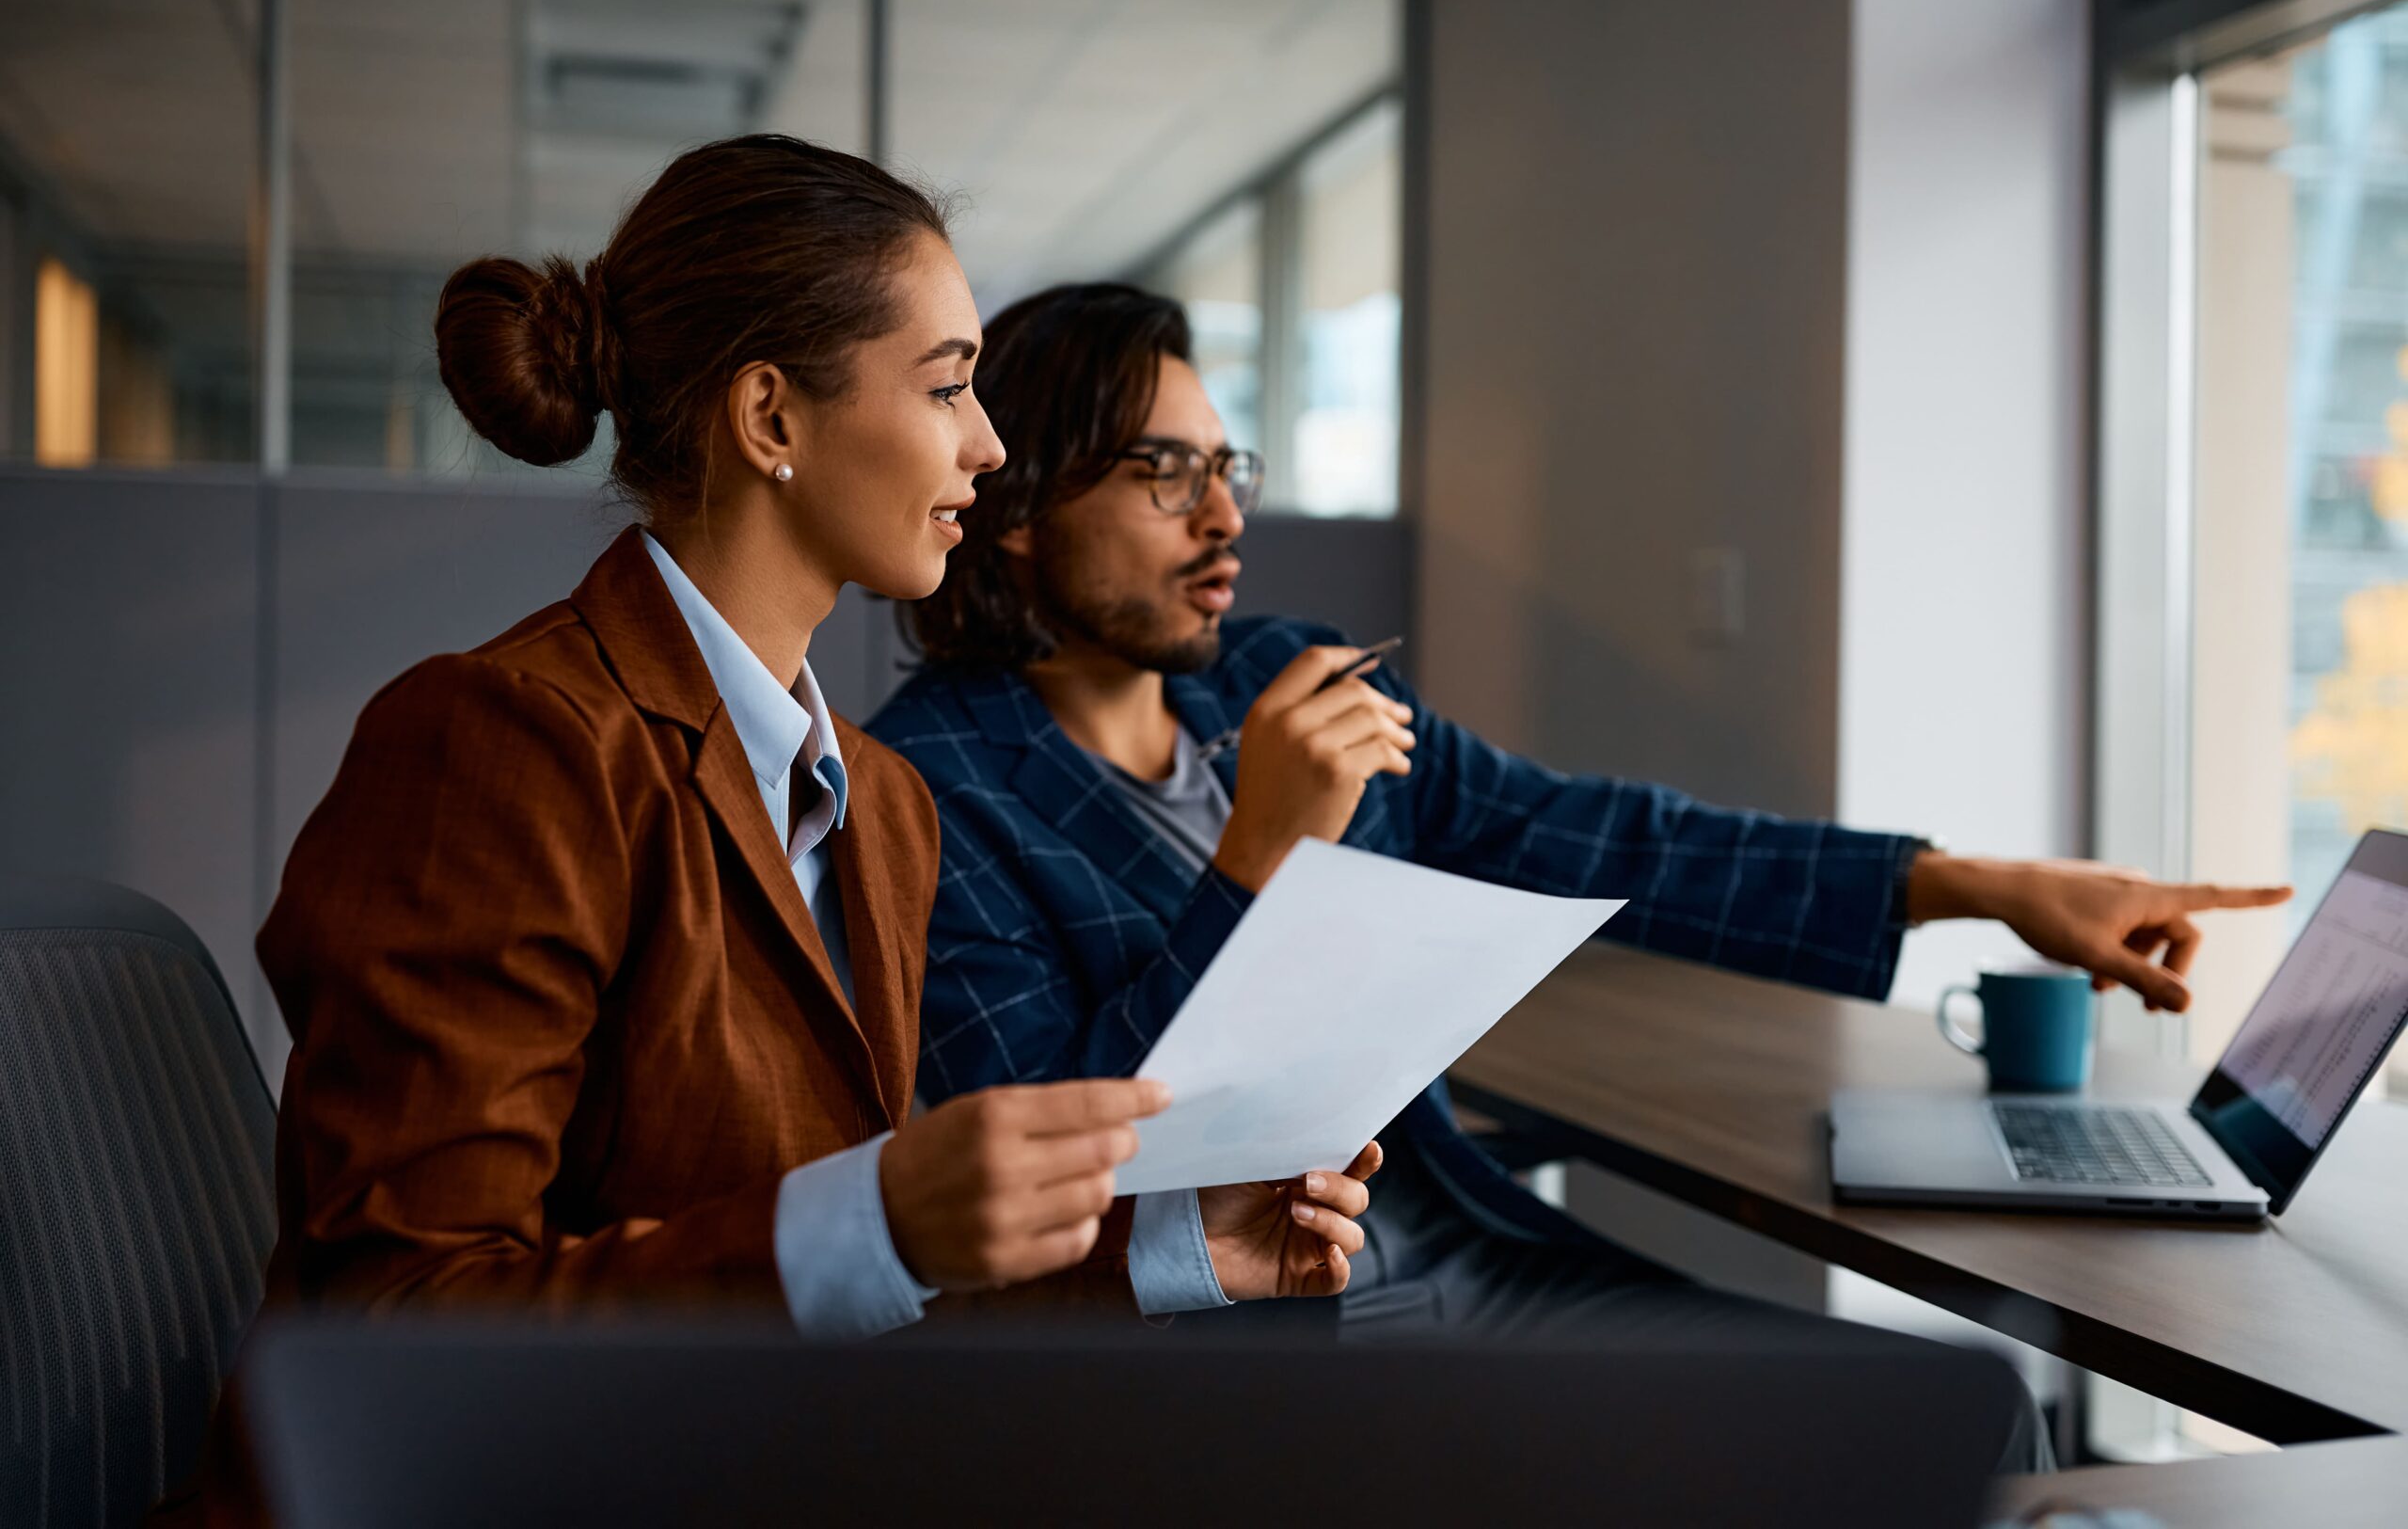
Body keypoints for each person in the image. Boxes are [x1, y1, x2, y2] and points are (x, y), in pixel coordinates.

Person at [864, 281, 2293, 1453]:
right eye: (1161, 473)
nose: (1224, 518)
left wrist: (1977, 886)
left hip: (1462, 1263)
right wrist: (1256, 863)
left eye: (1225, 468)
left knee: (1970, 1423)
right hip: (1229, 1360)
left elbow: (1604, 836)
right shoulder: (928, 791)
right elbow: (1050, 1191)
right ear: (1023, 503)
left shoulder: (1266, 679)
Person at [162, 147, 1374, 1524]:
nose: (986, 444)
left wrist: (1170, 1245)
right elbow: (402, 1336)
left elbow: (856, 1291)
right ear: (769, 416)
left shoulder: (880, 806)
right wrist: (877, 1219)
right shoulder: (501, 743)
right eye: (946, 385)